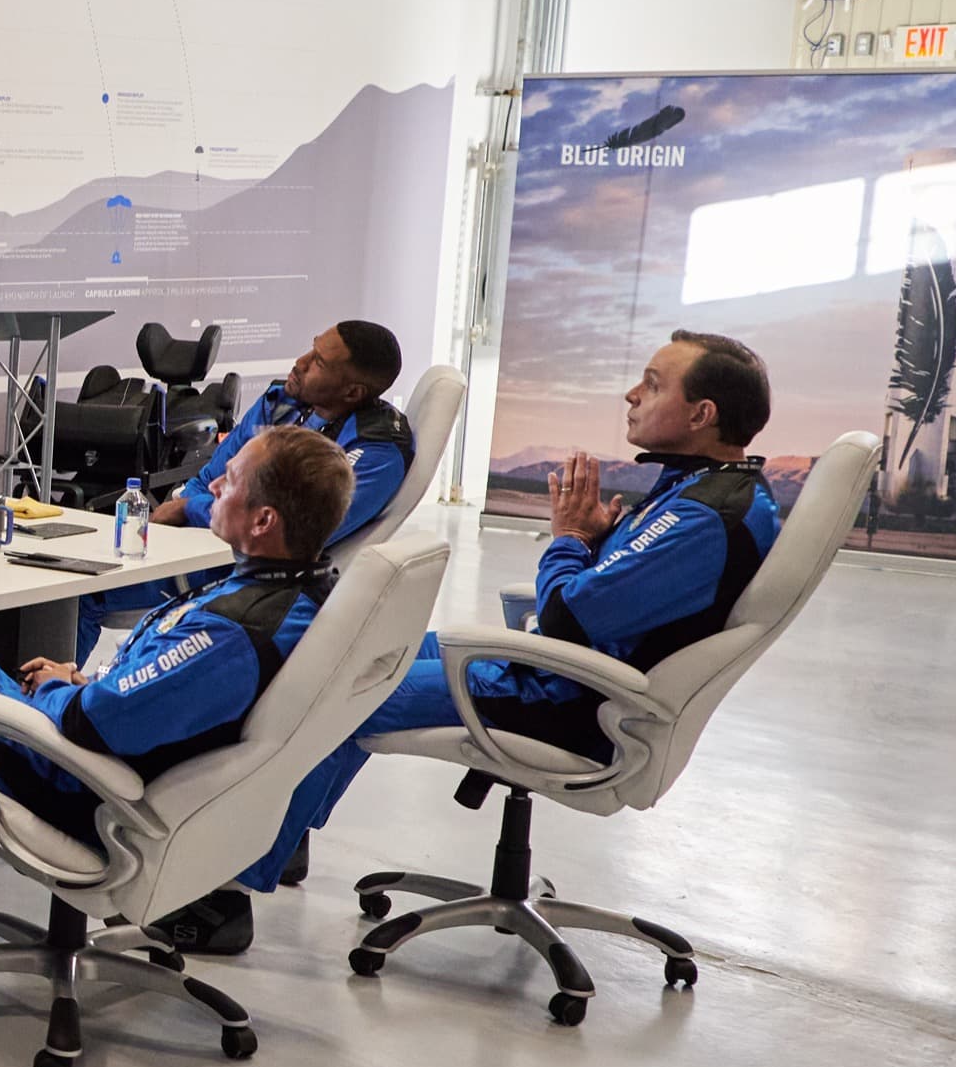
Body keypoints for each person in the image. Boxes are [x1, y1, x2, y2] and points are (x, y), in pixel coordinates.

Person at [272, 330, 780, 896]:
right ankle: (279, 841)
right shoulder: (705, 490)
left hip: (568, 698)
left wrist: (571, 538)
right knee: (355, 653)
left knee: (337, 693)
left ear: (701, 414)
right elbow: (605, 592)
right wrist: (594, 545)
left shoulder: (704, 517)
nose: (632, 395)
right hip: (571, 674)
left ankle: (231, 892)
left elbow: (566, 613)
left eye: (653, 385)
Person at [0, 425, 359, 958]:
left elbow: (91, 725)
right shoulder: (299, 593)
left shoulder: (232, 633)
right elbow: (157, 696)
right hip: (113, 756)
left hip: (79, 783)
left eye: (227, 484)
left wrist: (55, 692)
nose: (212, 492)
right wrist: (80, 680)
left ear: (263, 520)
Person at [78, 318, 412, 660]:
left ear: (353, 392)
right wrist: (190, 510)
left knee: (78, 593)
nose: (300, 362)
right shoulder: (281, 402)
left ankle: (37, 704)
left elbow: (295, 529)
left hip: (243, 570)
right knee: (72, 564)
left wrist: (188, 510)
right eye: (312, 347)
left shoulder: (376, 452)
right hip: (197, 540)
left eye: (319, 362)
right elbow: (209, 479)